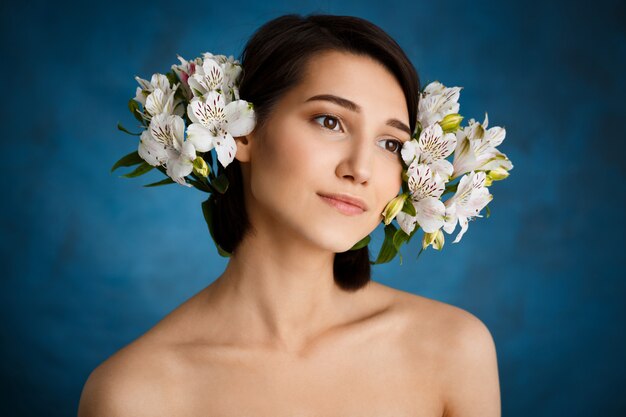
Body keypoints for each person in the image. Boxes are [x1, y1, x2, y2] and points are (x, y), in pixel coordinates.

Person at [78, 14, 500, 417]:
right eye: (329, 121)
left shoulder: (453, 349)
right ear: (242, 132)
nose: (361, 169)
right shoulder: (133, 394)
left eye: (390, 144)